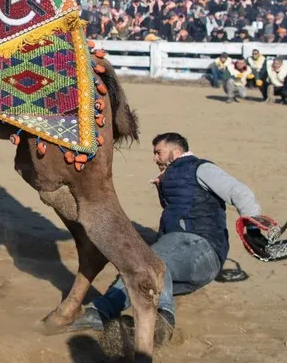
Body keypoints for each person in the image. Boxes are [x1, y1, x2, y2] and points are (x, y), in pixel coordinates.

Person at [69, 133, 266, 343]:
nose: (155, 158)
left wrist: (253, 229)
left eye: (158, 152)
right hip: (190, 265)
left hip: (200, 247)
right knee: (139, 277)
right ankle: (104, 315)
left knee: (148, 262)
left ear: (177, 151)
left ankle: (156, 318)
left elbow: (240, 192)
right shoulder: (172, 177)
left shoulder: (200, 168)